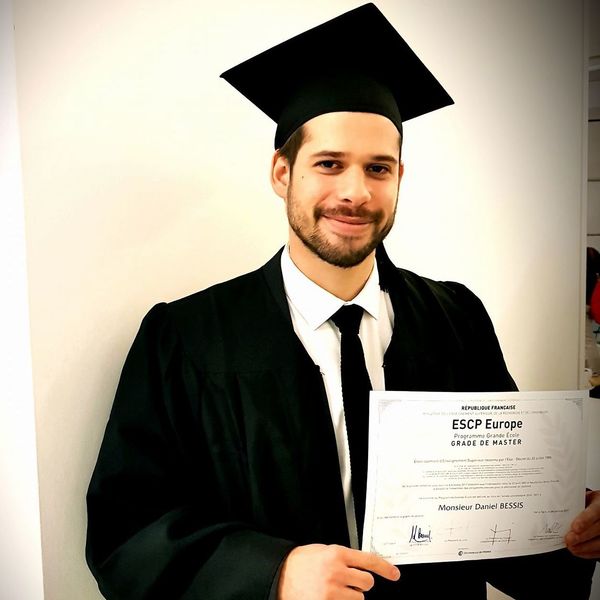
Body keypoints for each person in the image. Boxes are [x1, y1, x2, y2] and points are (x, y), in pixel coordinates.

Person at [86, 4, 599, 598]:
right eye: (329, 164)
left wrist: (571, 526)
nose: (355, 192)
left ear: (399, 177)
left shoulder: (457, 320)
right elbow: (127, 531)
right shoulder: (185, 338)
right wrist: (272, 573)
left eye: (378, 169)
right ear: (282, 173)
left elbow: (497, 503)